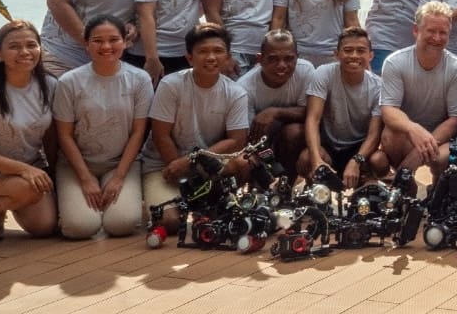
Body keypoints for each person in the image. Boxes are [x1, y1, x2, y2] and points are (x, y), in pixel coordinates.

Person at [143, 24, 251, 237]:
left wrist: (192, 161)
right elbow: (160, 134)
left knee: (243, 161)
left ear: (228, 57)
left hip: (205, 163)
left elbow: (236, 141)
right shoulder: (170, 85)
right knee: (170, 221)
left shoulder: (236, 92)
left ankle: (217, 202)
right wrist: (179, 169)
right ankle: (187, 200)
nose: (211, 57)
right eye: (203, 51)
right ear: (189, 57)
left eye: (218, 51)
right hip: (163, 164)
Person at [53, 15, 152, 239]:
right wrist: (86, 179)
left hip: (120, 163)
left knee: (121, 224)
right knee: (80, 228)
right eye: (97, 40)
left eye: (113, 40)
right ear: (86, 44)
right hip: (76, 164)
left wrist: (119, 177)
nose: (106, 46)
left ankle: (123, 199)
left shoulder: (140, 79)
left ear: (125, 42)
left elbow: (138, 132)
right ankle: (70, 204)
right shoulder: (69, 81)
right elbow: (65, 135)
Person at [0, 21, 57, 240]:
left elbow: (51, 137)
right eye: (15, 46)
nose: (25, 52)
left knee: (44, 227)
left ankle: (2, 205)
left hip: (30, 168)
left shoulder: (50, 85)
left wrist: (53, 171)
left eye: (31, 45)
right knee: (30, 188)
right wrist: (24, 170)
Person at [378, 2, 457, 174]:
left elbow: (456, 118)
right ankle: (406, 184)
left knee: (442, 159)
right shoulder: (395, 62)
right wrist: (414, 129)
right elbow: (389, 109)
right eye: (431, 31)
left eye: (443, 33)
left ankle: (434, 192)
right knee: (390, 136)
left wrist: (424, 146)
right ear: (416, 30)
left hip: (441, 138)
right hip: (408, 133)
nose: (436, 38)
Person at [302, 27, 388, 189]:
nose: (354, 55)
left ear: (370, 55)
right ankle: (314, 189)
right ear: (337, 54)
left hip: (358, 147)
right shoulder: (324, 73)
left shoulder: (378, 86)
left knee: (379, 161)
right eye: (348, 50)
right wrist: (316, 160)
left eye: (360, 50)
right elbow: (313, 118)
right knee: (306, 159)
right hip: (329, 145)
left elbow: (374, 133)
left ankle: (368, 185)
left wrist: (357, 160)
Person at [238, 30, 315, 179]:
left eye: (289, 59)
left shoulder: (306, 70)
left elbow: (312, 113)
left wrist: (275, 112)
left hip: (291, 138)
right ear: (259, 59)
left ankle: (288, 182)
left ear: (297, 58)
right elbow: (245, 136)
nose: (282, 65)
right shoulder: (245, 87)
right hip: (260, 139)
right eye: (273, 59)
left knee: (295, 132)